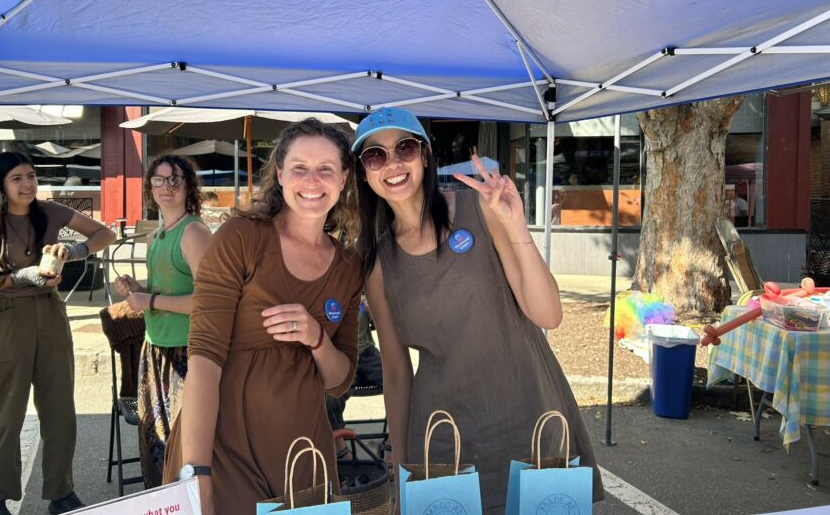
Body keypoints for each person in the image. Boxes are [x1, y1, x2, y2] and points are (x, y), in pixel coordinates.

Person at [353, 107, 604, 513]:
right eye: (375, 155)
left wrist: (517, 226)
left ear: (427, 155)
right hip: (443, 437)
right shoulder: (378, 263)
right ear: (364, 172)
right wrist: (401, 471)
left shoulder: (482, 209)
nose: (393, 163)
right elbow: (397, 373)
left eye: (405, 148)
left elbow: (549, 316)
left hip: (528, 417)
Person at [165, 118, 363, 514]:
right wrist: (197, 470)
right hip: (224, 447)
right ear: (280, 174)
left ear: (343, 179)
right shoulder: (242, 238)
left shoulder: (348, 266)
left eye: (326, 169)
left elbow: (340, 380)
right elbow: (204, 356)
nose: (312, 180)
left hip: (304, 455)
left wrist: (316, 337)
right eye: (300, 168)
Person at [0, 151, 116, 515]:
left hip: (50, 314)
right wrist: (18, 277)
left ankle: (62, 494)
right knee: (2, 413)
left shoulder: (50, 210)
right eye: (17, 178)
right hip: (4, 317)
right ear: (0, 185)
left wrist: (74, 250)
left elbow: (104, 233)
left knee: (60, 409)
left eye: (31, 175)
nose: (27, 184)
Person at [113, 154, 212, 488]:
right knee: (157, 445)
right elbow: (168, 290)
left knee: (183, 452)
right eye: (159, 179)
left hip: (188, 354)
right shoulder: (159, 234)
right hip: (156, 350)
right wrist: (138, 290)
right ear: (149, 186)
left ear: (188, 186)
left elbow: (210, 301)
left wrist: (150, 300)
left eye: (176, 179)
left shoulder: (194, 232)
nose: (166, 187)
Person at [325, 300, 384, 460]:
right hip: (340, 354)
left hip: (366, 352)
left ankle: (393, 442)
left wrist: (373, 310)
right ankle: (340, 449)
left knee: (399, 384)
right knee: (331, 393)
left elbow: (383, 324)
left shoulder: (363, 289)